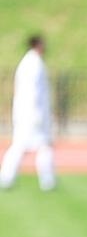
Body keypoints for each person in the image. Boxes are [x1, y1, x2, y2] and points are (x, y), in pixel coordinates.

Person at [0, 33, 55, 192]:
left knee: (40, 146)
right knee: (23, 145)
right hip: (30, 113)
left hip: (29, 112)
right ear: (37, 45)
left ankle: (47, 179)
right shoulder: (33, 64)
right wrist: (37, 113)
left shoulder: (32, 63)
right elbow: (32, 92)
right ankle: (7, 177)